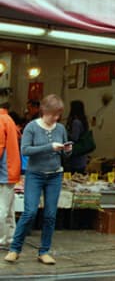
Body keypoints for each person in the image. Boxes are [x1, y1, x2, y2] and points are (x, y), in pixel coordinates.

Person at [4, 95, 72, 265]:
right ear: (44, 111)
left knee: (50, 215)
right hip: (35, 174)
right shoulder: (31, 128)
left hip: (55, 174)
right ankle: (15, 248)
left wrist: (67, 150)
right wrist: (49, 147)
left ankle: (44, 251)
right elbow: (25, 150)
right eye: (53, 114)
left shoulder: (61, 129)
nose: (55, 118)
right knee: (30, 212)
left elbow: (64, 153)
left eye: (58, 115)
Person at [0, 103, 21, 250]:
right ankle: (11, 237)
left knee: (2, 207)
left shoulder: (1, 120)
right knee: (9, 207)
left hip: (4, 170)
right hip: (11, 169)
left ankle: (1, 239)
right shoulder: (8, 118)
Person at [65, 100, 89, 174]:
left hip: (76, 156)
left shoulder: (76, 122)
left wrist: (65, 132)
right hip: (82, 155)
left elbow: (74, 137)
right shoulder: (83, 120)